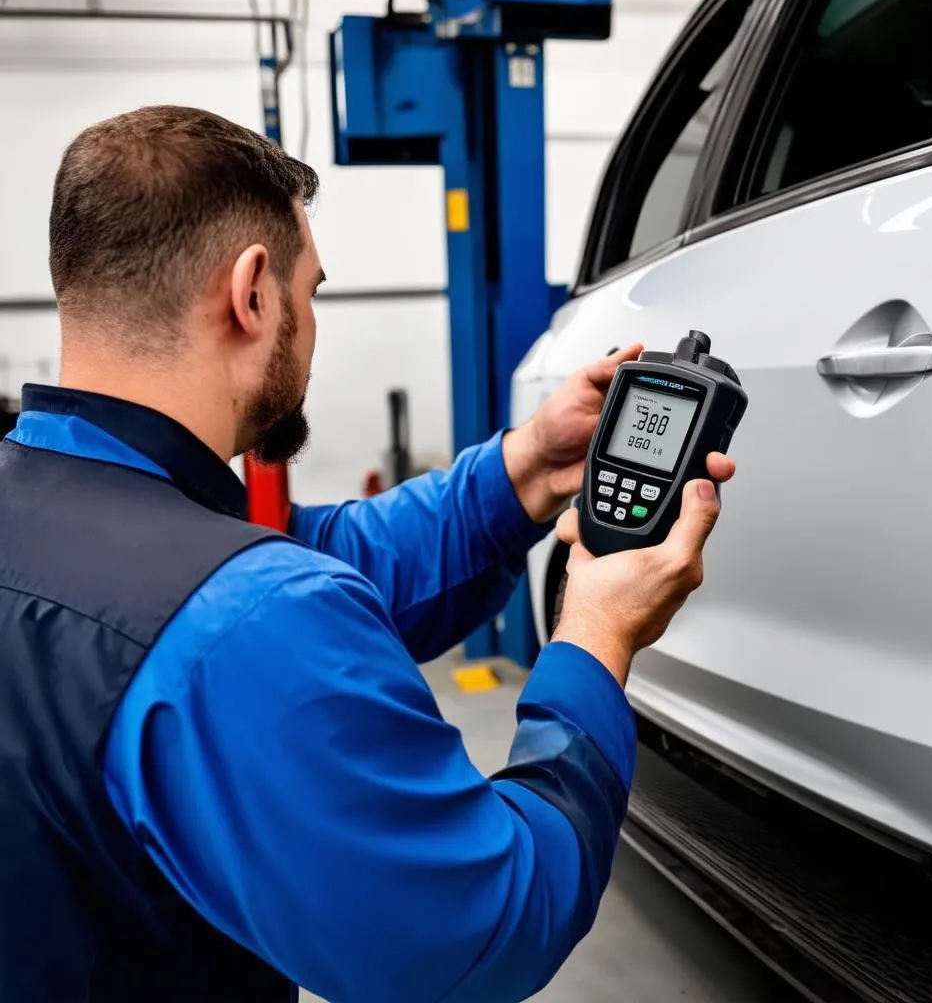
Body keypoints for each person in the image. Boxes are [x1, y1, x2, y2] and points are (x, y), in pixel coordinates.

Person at [0, 105, 735, 1003]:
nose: (309, 327)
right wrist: (595, 639)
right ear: (253, 293)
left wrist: (526, 465)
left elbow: (304, 565)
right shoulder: (239, 618)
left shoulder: (110, 527)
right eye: (311, 294)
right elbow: (487, 923)